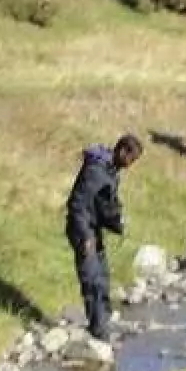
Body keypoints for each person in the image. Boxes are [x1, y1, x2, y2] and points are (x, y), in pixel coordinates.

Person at [65, 133, 143, 342]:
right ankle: (97, 329)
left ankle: (103, 321)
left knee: (102, 275)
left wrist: (118, 222)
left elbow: (105, 203)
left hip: (94, 228)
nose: (131, 164)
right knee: (91, 278)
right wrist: (85, 237)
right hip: (83, 231)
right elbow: (77, 204)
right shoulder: (95, 171)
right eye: (131, 158)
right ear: (121, 151)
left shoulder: (111, 171)